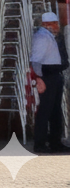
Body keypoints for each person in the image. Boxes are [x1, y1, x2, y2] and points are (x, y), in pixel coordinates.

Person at [31, 11, 69, 153]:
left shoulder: (49, 37)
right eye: (55, 23)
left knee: (55, 111)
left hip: (54, 75)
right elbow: (35, 61)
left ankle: (55, 142)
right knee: (45, 110)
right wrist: (38, 78)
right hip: (47, 76)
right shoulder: (42, 37)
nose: (57, 26)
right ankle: (40, 144)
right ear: (47, 25)